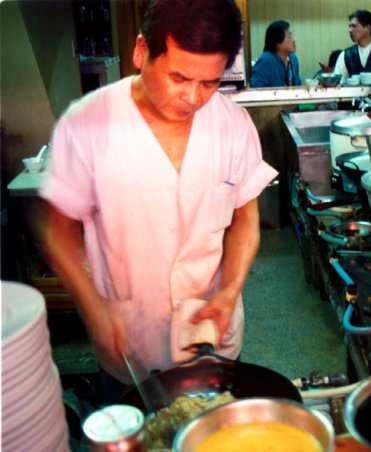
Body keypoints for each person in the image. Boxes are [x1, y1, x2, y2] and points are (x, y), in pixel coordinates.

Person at [38, 0, 277, 401]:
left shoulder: (233, 125)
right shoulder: (86, 125)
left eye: (210, 82)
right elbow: (57, 230)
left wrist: (229, 291)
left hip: (212, 340)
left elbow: (244, 219)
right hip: (131, 344)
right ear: (140, 51)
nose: (193, 98)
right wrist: (94, 309)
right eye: (179, 77)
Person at [250, 20, 301, 88]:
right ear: (278, 42)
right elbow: (256, 88)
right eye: (289, 37)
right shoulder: (266, 60)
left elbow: (297, 86)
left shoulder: (293, 59)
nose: (294, 40)